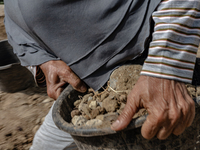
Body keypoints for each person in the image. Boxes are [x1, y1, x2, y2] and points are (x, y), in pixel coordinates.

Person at [4, 0, 200, 149]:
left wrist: (165, 67)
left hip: (150, 68)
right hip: (88, 86)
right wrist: (40, 58)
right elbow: (16, 14)